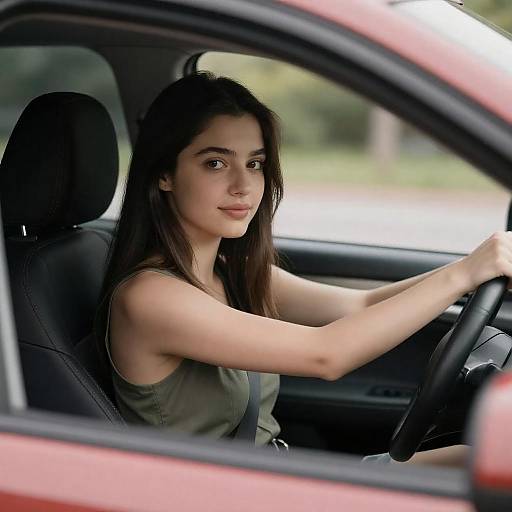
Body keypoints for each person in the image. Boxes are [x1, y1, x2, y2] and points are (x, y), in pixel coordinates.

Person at [95, 71, 512, 465]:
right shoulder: (150, 298)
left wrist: (473, 270)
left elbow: (358, 305)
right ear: (164, 174)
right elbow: (326, 355)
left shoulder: (226, 270)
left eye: (255, 163)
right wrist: (463, 274)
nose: (244, 184)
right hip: (223, 497)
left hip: (275, 475)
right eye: (216, 163)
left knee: (488, 462)